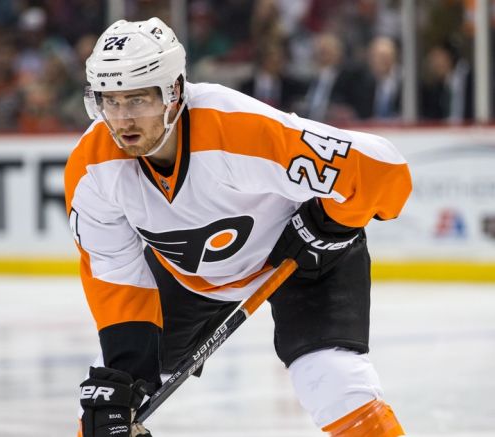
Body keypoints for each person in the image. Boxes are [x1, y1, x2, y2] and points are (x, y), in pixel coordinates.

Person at [64, 17, 411, 437]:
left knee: (334, 383)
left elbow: (385, 170)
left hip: (304, 255)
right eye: (110, 102)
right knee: (108, 414)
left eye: (138, 100)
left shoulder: (236, 128)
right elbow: (116, 273)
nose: (122, 121)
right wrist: (127, 371)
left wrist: (331, 225)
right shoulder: (92, 169)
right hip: (192, 278)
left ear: (174, 93)